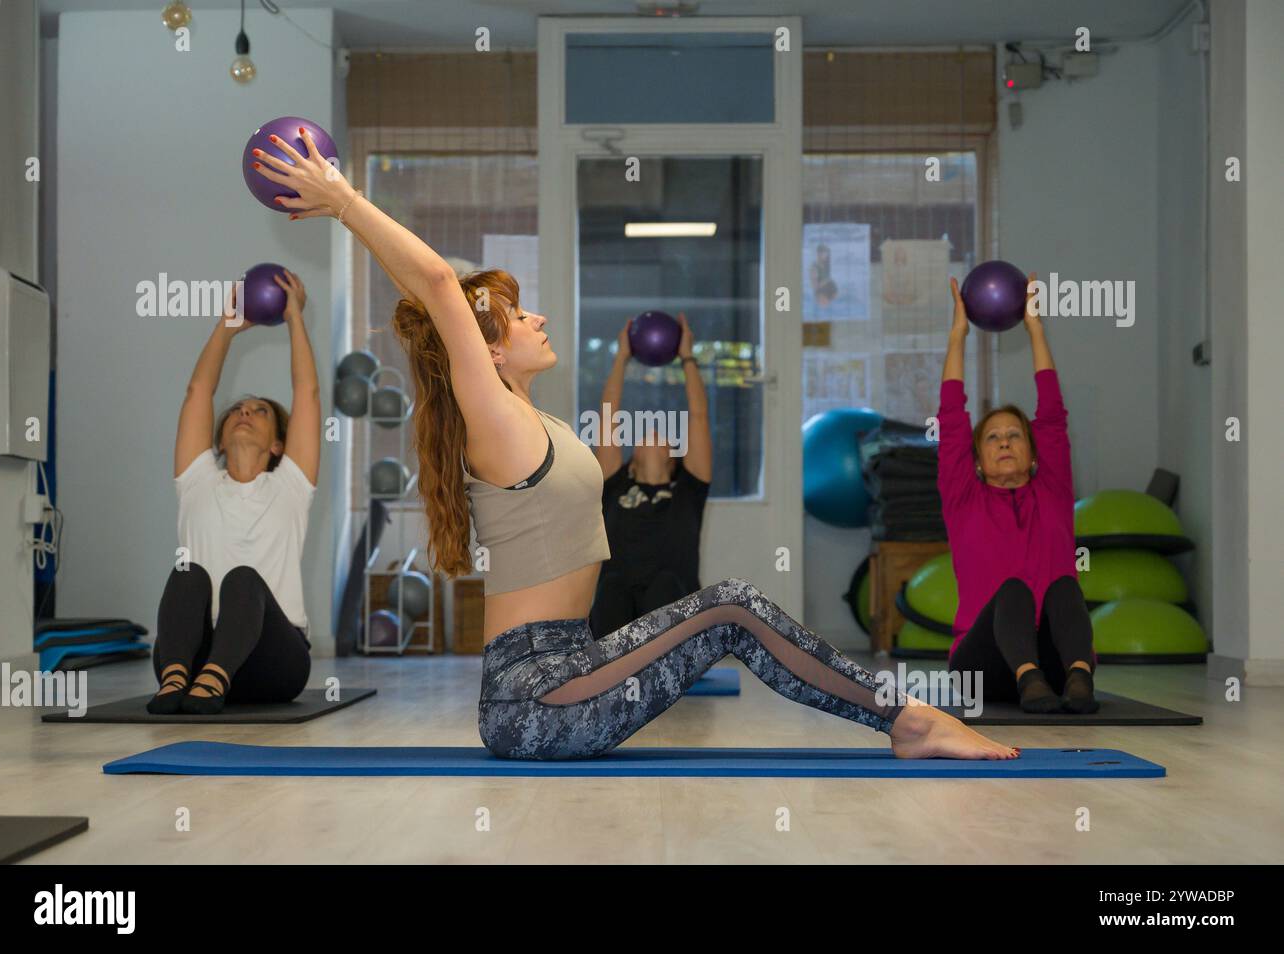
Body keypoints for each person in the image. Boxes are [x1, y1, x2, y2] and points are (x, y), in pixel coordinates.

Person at [251, 127, 1018, 760]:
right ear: (485, 352)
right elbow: (442, 289)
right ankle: (906, 720)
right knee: (731, 608)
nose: (538, 320)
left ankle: (902, 720)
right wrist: (344, 201)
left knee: (728, 612)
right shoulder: (490, 418)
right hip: (535, 696)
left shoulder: (540, 424)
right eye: (519, 318)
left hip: (569, 667)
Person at [149, 271, 318, 715]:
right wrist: (226, 326)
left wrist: (294, 316)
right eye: (237, 411)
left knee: (243, 579)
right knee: (188, 573)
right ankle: (177, 681)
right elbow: (197, 391)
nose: (245, 412)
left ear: (278, 443)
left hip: (273, 662)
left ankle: (215, 678)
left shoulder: (290, 486)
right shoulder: (197, 480)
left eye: (260, 411)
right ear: (218, 441)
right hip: (190, 658)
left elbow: (307, 392)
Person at [939, 273, 1099, 714]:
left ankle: (1080, 678)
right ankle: (1028, 680)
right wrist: (958, 335)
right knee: (1013, 591)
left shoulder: (1052, 492)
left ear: (1033, 456)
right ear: (976, 461)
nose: (1005, 442)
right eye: (993, 438)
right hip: (983, 669)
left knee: (1065, 586)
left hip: (1055, 665)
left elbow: (1052, 414)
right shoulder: (963, 499)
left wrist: (1035, 329)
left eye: (1015, 435)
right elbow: (951, 417)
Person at [589, 313, 711, 639]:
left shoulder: (689, 487)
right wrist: (621, 357)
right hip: (620, 602)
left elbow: (698, 416)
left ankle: (655, 660)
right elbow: (607, 417)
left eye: (664, 436)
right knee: (611, 585)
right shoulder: (616, 484)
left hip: (671, 603)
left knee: (666, 584)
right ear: (630, 463)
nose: (653, 432)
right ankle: (612, 663)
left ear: (675, 459)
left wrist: (686, 356)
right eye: (643, 434)